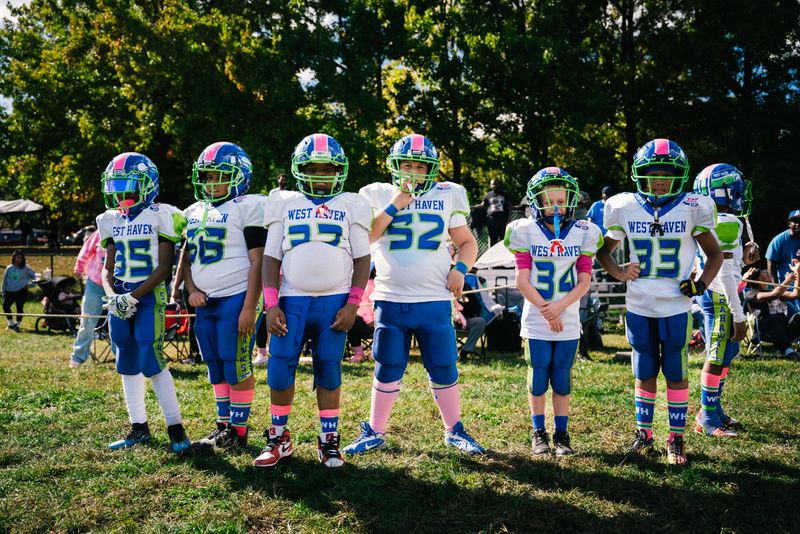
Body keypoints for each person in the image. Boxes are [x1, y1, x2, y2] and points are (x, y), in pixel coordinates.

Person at [344, 133, 485, 456]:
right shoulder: (379, 194)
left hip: (433, 298)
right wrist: (397, 203)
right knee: (387, 363)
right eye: (406, 165)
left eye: (419, 167)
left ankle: (454, 429)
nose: (412, 172)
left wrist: (460, 270)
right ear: (395, 167)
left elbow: (467, 242)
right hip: (391, 298)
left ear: (429, 170)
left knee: (443, 364)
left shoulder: (448, 194)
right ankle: (376, 430)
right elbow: (367, 237)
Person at [596, 138, 722, 465]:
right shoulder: (623, 206)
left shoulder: (693, 206)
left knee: (676, 369)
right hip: (639, 303)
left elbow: (714, 255)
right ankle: (644, 433)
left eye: (668, 173)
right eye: (653, 173)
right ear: (640, 174)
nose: (661, 179)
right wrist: (619, 272)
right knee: (645, 366)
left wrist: (701, 284)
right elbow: (603, 252)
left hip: (676, 305)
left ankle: (676, 438)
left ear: (680, 175)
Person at [254, 133, 371, 468]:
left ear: (339, 170)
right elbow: (271, 257)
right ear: (299, 169)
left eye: (327, 168)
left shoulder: (351, 203)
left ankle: (328, 439)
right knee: (279, 369)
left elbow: (362, 259)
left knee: (330, 370)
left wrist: (353, 303)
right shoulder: (284, 202)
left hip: (334, 301)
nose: (320, 174)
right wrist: (271, 303)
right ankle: (278, 437)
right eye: (313, 168)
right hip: (291, 299)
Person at [96, 151, 191, 454]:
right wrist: (113, 295)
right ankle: (138, 428)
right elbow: (107, 268)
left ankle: (176, 428)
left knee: (151, 358)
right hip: (121, 294)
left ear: (146, 185)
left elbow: (164, 268)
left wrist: (132, 296)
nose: (121, 193)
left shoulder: (161, 213)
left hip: (148, 293)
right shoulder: (110, 219)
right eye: (116, 186)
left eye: (128, 186)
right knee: (125, 358)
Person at [505, 167, 602, 456]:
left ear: (571, 200)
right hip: (537, 319)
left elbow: (585, 281)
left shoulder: (584, 232)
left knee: (561, 377)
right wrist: (547, 309)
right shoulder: (524, 230)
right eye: (549, 201)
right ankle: (538, 432)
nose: (556, 207)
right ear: (536, 202)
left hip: (568, 318)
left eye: (561, 200)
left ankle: (561, 434)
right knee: (538, 377)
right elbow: (522, 280)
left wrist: (559, 307)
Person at [180, 142, 266, 451]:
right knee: (215, 365)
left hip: (235, 298)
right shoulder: (193, 211)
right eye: (207, 176)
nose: (212, 182)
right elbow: (188, 259)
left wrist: (249, 307)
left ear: (240, 176)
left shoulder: (247, 206)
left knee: (236, 365)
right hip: (207, 302)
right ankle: (223, 425)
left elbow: (258, 260)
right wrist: (191, 289)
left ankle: (239, 432)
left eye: (220, 175)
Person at [692, 164, 758, 437]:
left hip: (715, 291)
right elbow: (725, 274)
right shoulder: (728, 222)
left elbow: (727, 264)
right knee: (718, 355)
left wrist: (745, 256)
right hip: (721, 295)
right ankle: (706, 417)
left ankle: (714, 407)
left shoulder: (709, 218)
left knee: (728, 352)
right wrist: (739, 316)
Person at [70, 230, 118, 367]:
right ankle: (77, 357)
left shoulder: (127, 229)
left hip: (117, 285)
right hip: (95, 283)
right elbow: (87, 249)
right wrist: (79, 268)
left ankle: (121, 359)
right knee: (87, 321)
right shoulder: (100, 232)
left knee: (117, 323)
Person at [744, 266, 800, 358]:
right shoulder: (751, 293)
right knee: (772, 319)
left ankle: (782, 346)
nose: (768, 274)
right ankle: (787, 350)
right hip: (765, 331)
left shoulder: (773, 290)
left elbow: (795, 294)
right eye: (765, 273)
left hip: (784, 327)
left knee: (797, 317)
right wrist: (787, 281)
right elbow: (774, 294)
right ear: (759, 279)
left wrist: (797, 272)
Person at [766, 210, 800, 317]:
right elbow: (771, 265)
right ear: (789, 224)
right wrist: (777, 290)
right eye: (795, 221)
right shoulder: (778, 240)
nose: (798, 224)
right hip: (789, 291)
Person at [2, 249, 35, 332]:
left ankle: (18, 325)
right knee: (5, 306)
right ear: (14, 258)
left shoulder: (26, 268)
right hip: (9, 291)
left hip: (21, 292)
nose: (19, 259)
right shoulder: (9, 268)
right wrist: (3, 290)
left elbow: (34, 276)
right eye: (18, 257)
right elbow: (4, 280)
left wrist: (30, 285)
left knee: (19, 308)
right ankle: (11, 324)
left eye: (21, 258)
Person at [348, 271, 376, 363]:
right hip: (360, 320)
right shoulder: (350, 287)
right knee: (352, 319)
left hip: (371, 321)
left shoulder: (371, 284)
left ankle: (374, 352)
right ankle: (359, 353)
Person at [481, 179, 512, 246]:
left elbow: (510, 207)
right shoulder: (488, 195)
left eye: (495, 184)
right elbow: (482, 205)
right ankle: (492, 255)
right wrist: (470, 207)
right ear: (490, 185)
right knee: (492, 239)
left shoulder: (505, 194)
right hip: (491, 221)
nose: (494, 185)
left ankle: (503, 254)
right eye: (492, 184)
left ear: (498, 184)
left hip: (502, 220)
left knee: (503, 239)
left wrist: (509, 218)